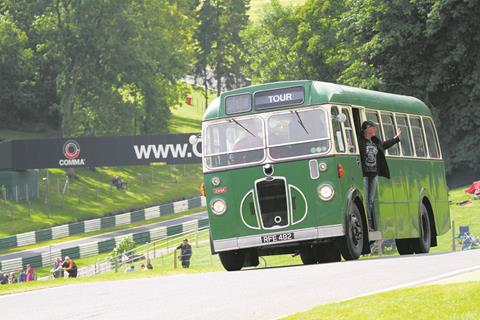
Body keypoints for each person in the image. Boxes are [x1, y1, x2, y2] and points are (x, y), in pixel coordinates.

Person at [358, 120, 401, 231]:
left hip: (373, 175)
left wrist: (396, 139)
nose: (375, 129)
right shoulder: (360, 141)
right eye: (373, 127)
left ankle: (369, 224)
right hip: (364, 175)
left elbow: (383, 146)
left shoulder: (375, 141)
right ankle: (367, 225)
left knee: (370, 201)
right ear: (367, 128)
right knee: (365, 200)